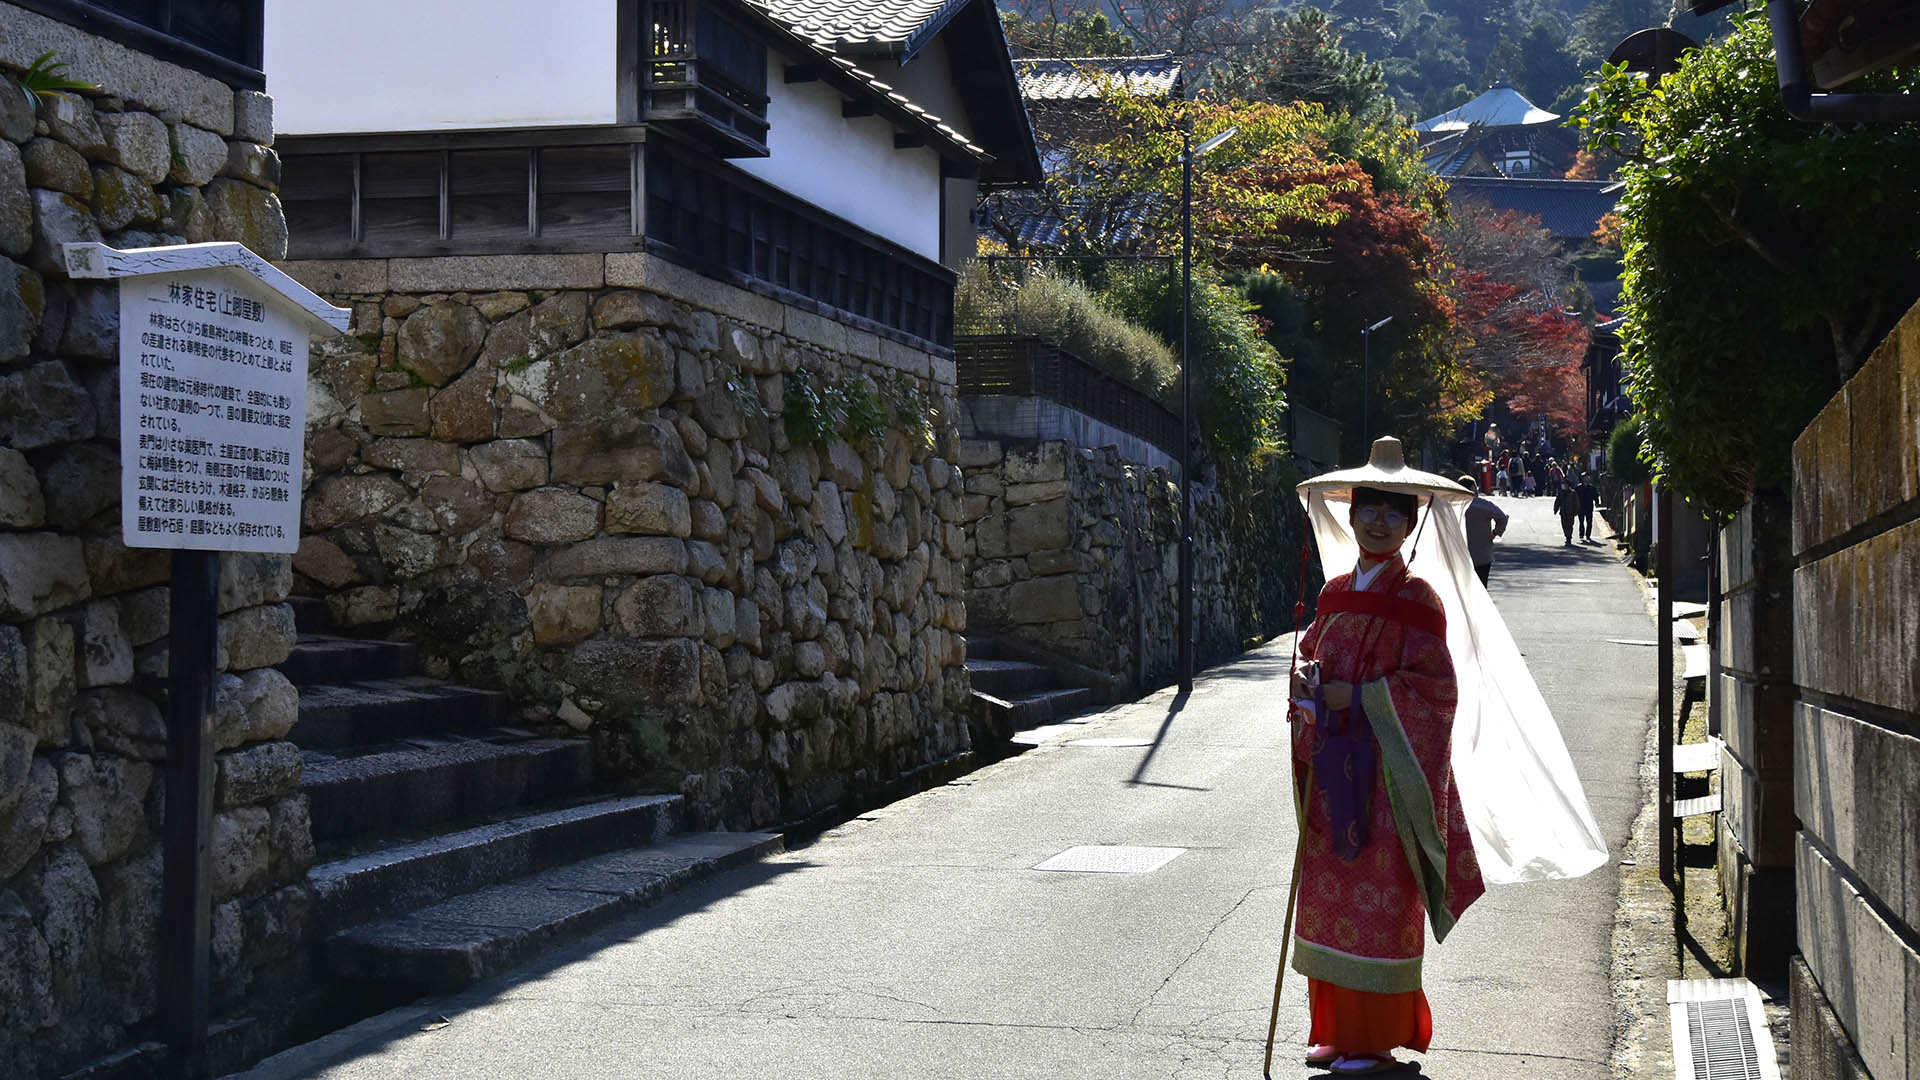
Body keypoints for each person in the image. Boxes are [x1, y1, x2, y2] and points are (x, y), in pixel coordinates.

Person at [1277, 438, 1611, 1077]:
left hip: (1387, 783)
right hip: (1332, 773)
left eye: (1392, 513)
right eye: (1369, 510)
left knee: (1378, 896)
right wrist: (1307, 684)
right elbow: (1314, 655)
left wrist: (1362, 695)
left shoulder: (1421, 600)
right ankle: (1332, 1028)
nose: (1378, 522)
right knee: (1330, 892)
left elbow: (1435, 693)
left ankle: (1371, 1039)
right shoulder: (1334, 592)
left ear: (1412, 522)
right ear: (1352, 515)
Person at [1459, 475, 1508, 584]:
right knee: (1481, 586)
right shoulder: (1484, 505)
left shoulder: (1453, 507)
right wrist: (1495, 532)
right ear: (1473, 488)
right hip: (1482, 554)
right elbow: (1502, 518)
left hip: (1459, 554)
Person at [1575, 472, 1599, 542]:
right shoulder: (1578, 488)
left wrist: (1597, 503)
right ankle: (1581, 534)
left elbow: (1596, 496)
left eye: (1587, 478)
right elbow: (1575, 497)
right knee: (1581, 522)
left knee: (1589, 522)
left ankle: (1588, 535)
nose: (1586, 479)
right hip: (1581, 507)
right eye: (1585, 478)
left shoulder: (1592, 488)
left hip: (1589, 507)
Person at [1553, 480, 1578, 545]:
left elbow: (1576, 503)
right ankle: (1567, 535)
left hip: (1570, 512)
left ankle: (1569, 538)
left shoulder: (1573, 493)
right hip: (1563, 512)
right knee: (1564, 525)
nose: (1564, 486)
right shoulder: (1560, 493)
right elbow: (1557, 501)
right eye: (1563, 484)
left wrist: (1576, 511)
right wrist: (1555, 509)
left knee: (1570, 525)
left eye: (1565, 484)